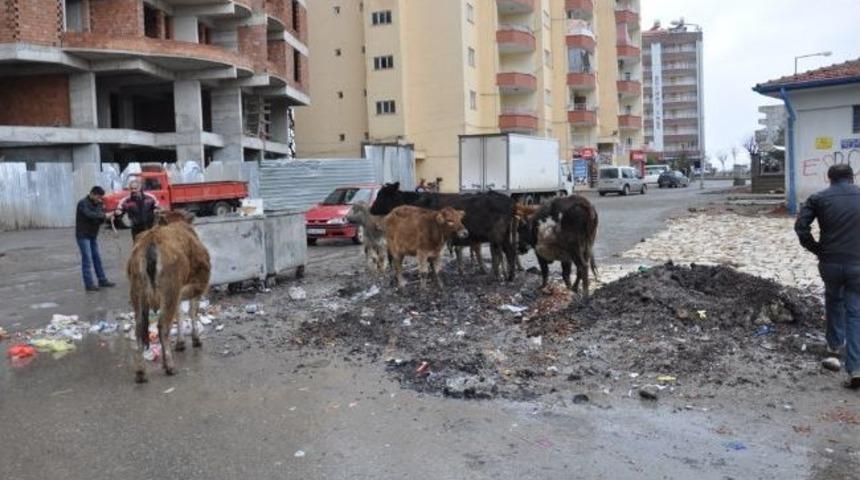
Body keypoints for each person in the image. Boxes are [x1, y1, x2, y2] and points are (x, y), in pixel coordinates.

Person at [795, 163, 860, 390]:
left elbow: (801, 227)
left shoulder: (818, 198)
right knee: (855, 312)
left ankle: (834, 347)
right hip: (857, 264)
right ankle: (855, 367)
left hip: (830, 263)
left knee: (833, 301)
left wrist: (816, 248)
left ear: (829, 178)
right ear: (852, 177)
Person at [76, 186, 116, 292]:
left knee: (97, 258)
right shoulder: (82, 203)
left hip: (93, 235)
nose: (100, 200)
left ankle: (102, 280)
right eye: (98, 197)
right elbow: (90, 215)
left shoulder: (98, 204)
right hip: (83, 236)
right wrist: (104, 216)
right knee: (87, 259)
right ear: (92, 194)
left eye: (101, 198)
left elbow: (98, 217)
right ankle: (89, 284)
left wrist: (106, 217)